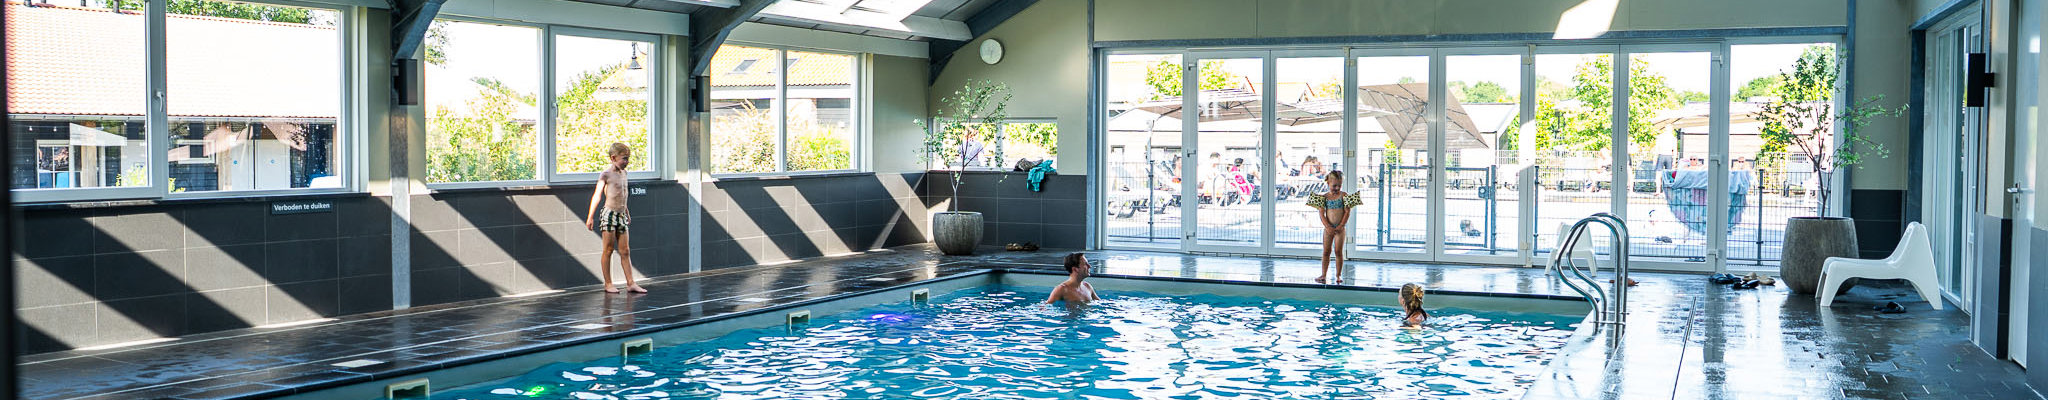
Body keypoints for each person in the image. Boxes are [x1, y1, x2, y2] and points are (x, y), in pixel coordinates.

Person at [585, 143, 648, 294]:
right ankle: (608, 283)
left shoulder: (624, 173)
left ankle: (631, 283)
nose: (627, 162)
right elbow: (598, 195)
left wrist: (627, 212)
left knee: (625, 250)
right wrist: (590, 217)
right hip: (609, 214)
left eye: (628, 159)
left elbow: (622, 195)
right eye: (624, 159)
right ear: (613, 158)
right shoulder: (606, 174)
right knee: (608, 249)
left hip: (621, 215)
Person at [1308, 170, 1361, 284]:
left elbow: (1347, 212)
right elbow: (1321, 214)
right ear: (1328, 183)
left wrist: (1341, 225)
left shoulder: (1344, 196)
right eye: (1334, 185)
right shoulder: (1324, 197)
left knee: (1338, 251)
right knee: (1326, 252)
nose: (1337, 188)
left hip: (1340, 229)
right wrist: (1327, 226)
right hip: (1328, 229)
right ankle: (1323, 274)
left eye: (1339, 185)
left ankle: (1338, 275)